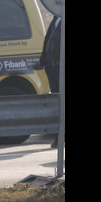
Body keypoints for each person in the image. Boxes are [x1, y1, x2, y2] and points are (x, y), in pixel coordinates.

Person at [41, 15, 62, 147]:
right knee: (57, 102)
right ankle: (59, 135)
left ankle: (61, 137)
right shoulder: (56, 18)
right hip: (52, 66)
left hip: (61, 67)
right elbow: (48, 40)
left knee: (62, 103)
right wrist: (44, 60)